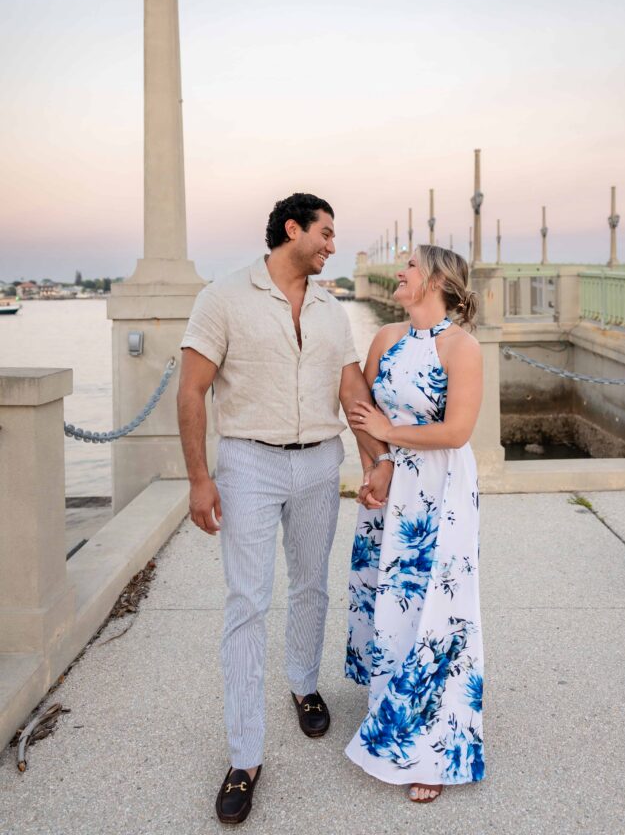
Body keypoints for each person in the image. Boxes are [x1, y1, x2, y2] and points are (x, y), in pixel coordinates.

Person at [177, 193, 393, 825]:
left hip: (319, 460)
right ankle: (245, 758)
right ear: (292, 230)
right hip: (248, 462)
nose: (332, 245)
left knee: (310, 586)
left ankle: (304, 684)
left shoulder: (330, 309)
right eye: (325, 234)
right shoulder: (223, 297)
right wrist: (199, 479)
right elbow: (191, 391)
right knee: (247, 602)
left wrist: (375, 461)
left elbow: (351, 390)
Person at [345, 244, 485, 803]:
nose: (399, 272)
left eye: (409, 265)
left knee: (436, 605)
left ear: (436, 281)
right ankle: (390, 706)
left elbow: (456, 432)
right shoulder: (385, 338)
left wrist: (390, 434)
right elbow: (359, 411)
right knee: (389, 594)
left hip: (439, 488)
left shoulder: (462, 347)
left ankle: (434, 749)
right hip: (391, 483)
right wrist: (376, 462)